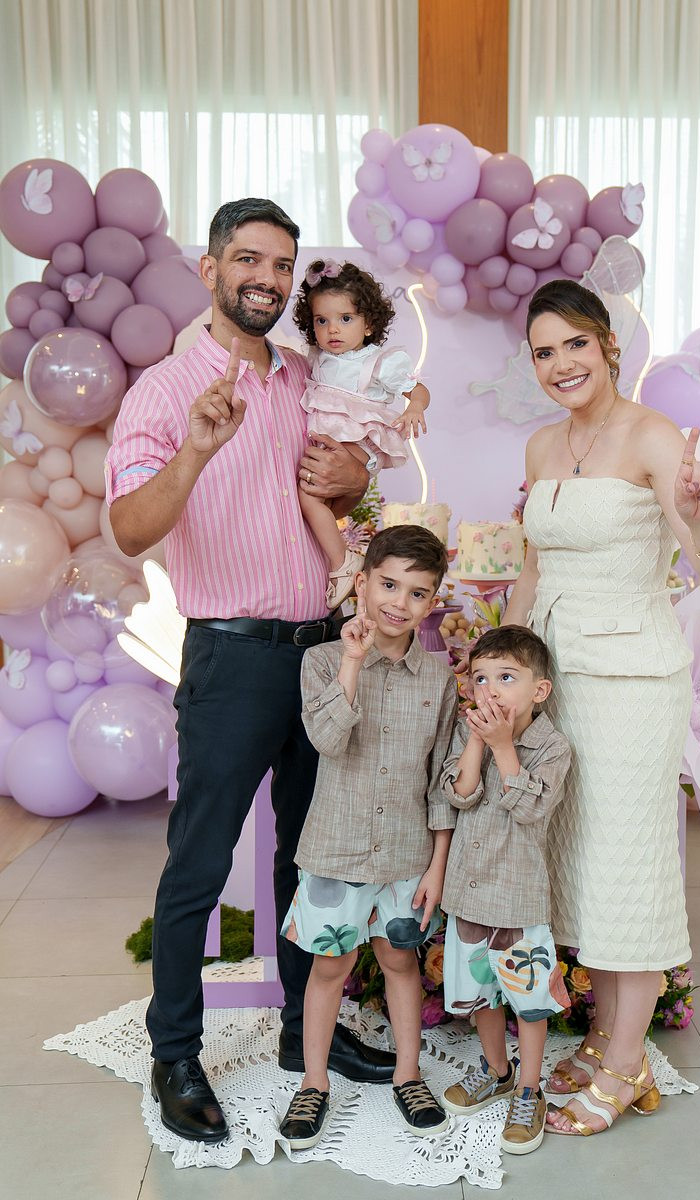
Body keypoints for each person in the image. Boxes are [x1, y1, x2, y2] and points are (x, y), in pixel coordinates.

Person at [106, 198, 397, 1146]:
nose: (266, 279)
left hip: (324, 654)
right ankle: (174, 1053)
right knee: (199, 862)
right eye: (247, 260)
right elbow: (129, 529)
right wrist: (195, 450)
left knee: (311, 858)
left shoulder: (311, 377)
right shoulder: (162, 392)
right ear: (210, 269)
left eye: (281, 265)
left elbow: (348, 486)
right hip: (230, 658)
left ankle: (302, 1032)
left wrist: (357, 482)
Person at [501, 279, 700, 1137]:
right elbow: (533, 569)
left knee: (625, 866)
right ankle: (604, 1039)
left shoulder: (652, 436)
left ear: (606, 345)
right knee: (578, 860)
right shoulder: (540, 446)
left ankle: (628, 1064)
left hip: (633, 683)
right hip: (557, 678)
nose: (561, 363)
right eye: (543, 351)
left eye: (574, 344)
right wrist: (503, 669)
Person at [278, 524, 458, 1149]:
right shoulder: (322, 661)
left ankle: (408, 1074)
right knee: (329, 966)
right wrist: (353, 661)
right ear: (362, 583)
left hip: (408, 854)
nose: (399, 603)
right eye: (388, 584)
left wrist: (437, 866)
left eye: (417, 592)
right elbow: (328, 740)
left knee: (401, 961)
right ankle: (315, 1081)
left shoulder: (438, 680)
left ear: (432, 602)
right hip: (337, 850)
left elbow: (441, 782)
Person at [438, 626, 572, 1156]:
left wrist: (502, 746)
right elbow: (460, 794)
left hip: (518, 901)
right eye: (481, 678)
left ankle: (529, 1089)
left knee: (529, 1003)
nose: (490, 690)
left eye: (507, 678)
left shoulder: (552, 747)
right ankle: (496, 1070)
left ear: (539, 690)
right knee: (480, 995)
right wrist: (478, 741)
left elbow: (532, 807)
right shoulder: (466, 732)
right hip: (469, 895)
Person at [291, 259, 430, 608]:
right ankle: (331, 563)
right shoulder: (319, 358)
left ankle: (343, 563)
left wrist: (414, 408)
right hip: (331, 442)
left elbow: (418, 389)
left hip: (357, 442)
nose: (332, 330)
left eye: (345, 319)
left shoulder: (378, 362)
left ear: (368, 324)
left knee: (308, 497)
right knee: (315, 503)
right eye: (322, 321)